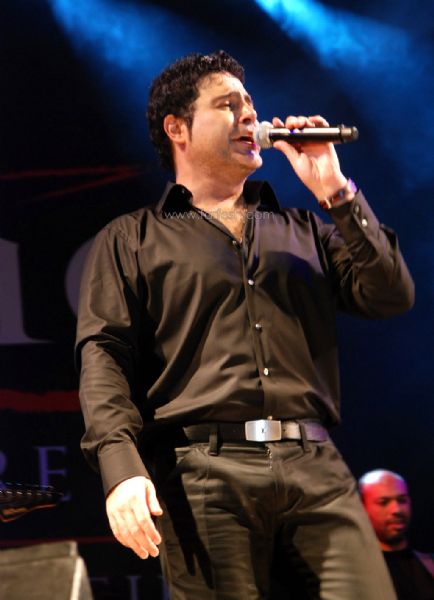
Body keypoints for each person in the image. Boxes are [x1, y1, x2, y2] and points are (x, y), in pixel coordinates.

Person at [75, 50, 414, 599]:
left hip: (315, 467)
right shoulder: (132, 239)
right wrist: (122, 468)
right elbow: (104, 357)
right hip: (203, 475)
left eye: (251, 104)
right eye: (228, 105)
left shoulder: (304, 228)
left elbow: (391, 294)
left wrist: (334, 191)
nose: (250, 115)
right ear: (177, 128)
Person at [359, 469, 434, 599]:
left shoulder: (429, 564)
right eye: (383, 502)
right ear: (362, 508)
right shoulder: (353, 572)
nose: (397, 510)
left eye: (402, 500)